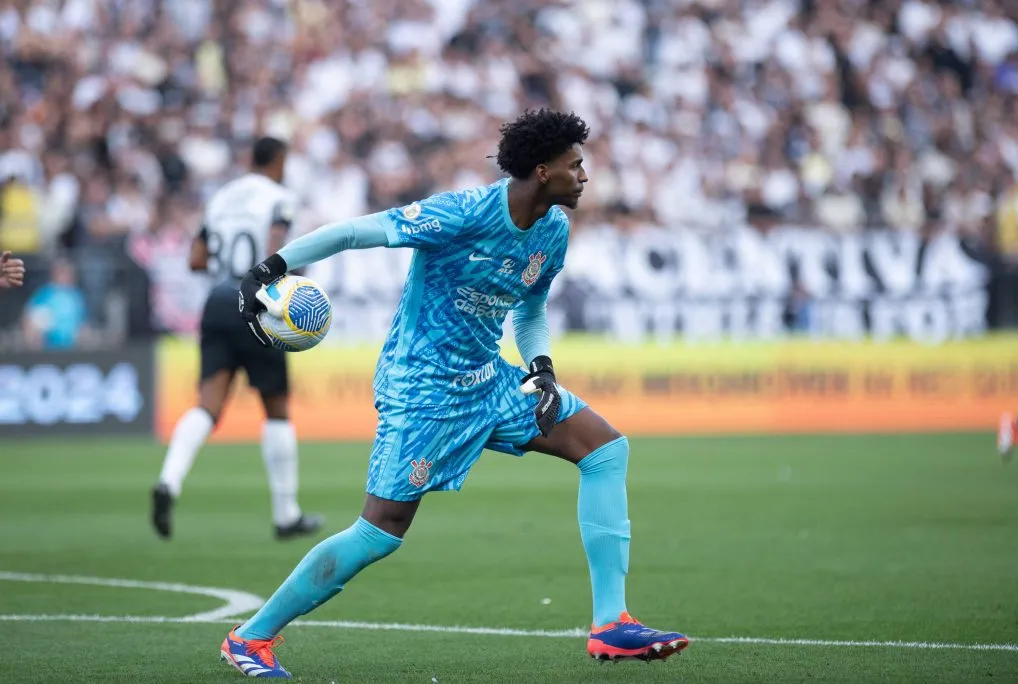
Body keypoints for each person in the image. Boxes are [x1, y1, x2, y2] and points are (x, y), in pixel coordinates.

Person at [220, 110, 687, 679]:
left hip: (490, 379)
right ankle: (250, 638)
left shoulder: (553, 230)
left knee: (605, 449)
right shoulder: (463, 213)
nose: (585, 175)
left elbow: (531, 309)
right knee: (379, 533)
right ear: (543, 171)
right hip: (423, 388)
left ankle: (611, 626)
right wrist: (269, 268)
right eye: (576, 164)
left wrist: (541, 368)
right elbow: (352, 231)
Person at [151, 136, 323, 542]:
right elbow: (276, 249)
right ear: (279, 160)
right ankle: (286, 514)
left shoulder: (222, 198)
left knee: (208, 404)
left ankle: (168, 482)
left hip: (216, 302)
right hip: (257, 304)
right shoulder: (279, 197)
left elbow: (195, 259)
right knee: (276, 407)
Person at [21, 256, 88, 349]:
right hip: (47, 348)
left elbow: (84, 322)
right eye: (62, 272)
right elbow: (28, 317)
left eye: (68, 273)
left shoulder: (76, 296)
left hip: (72, 348)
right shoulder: (44, 294)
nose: (65, 276)